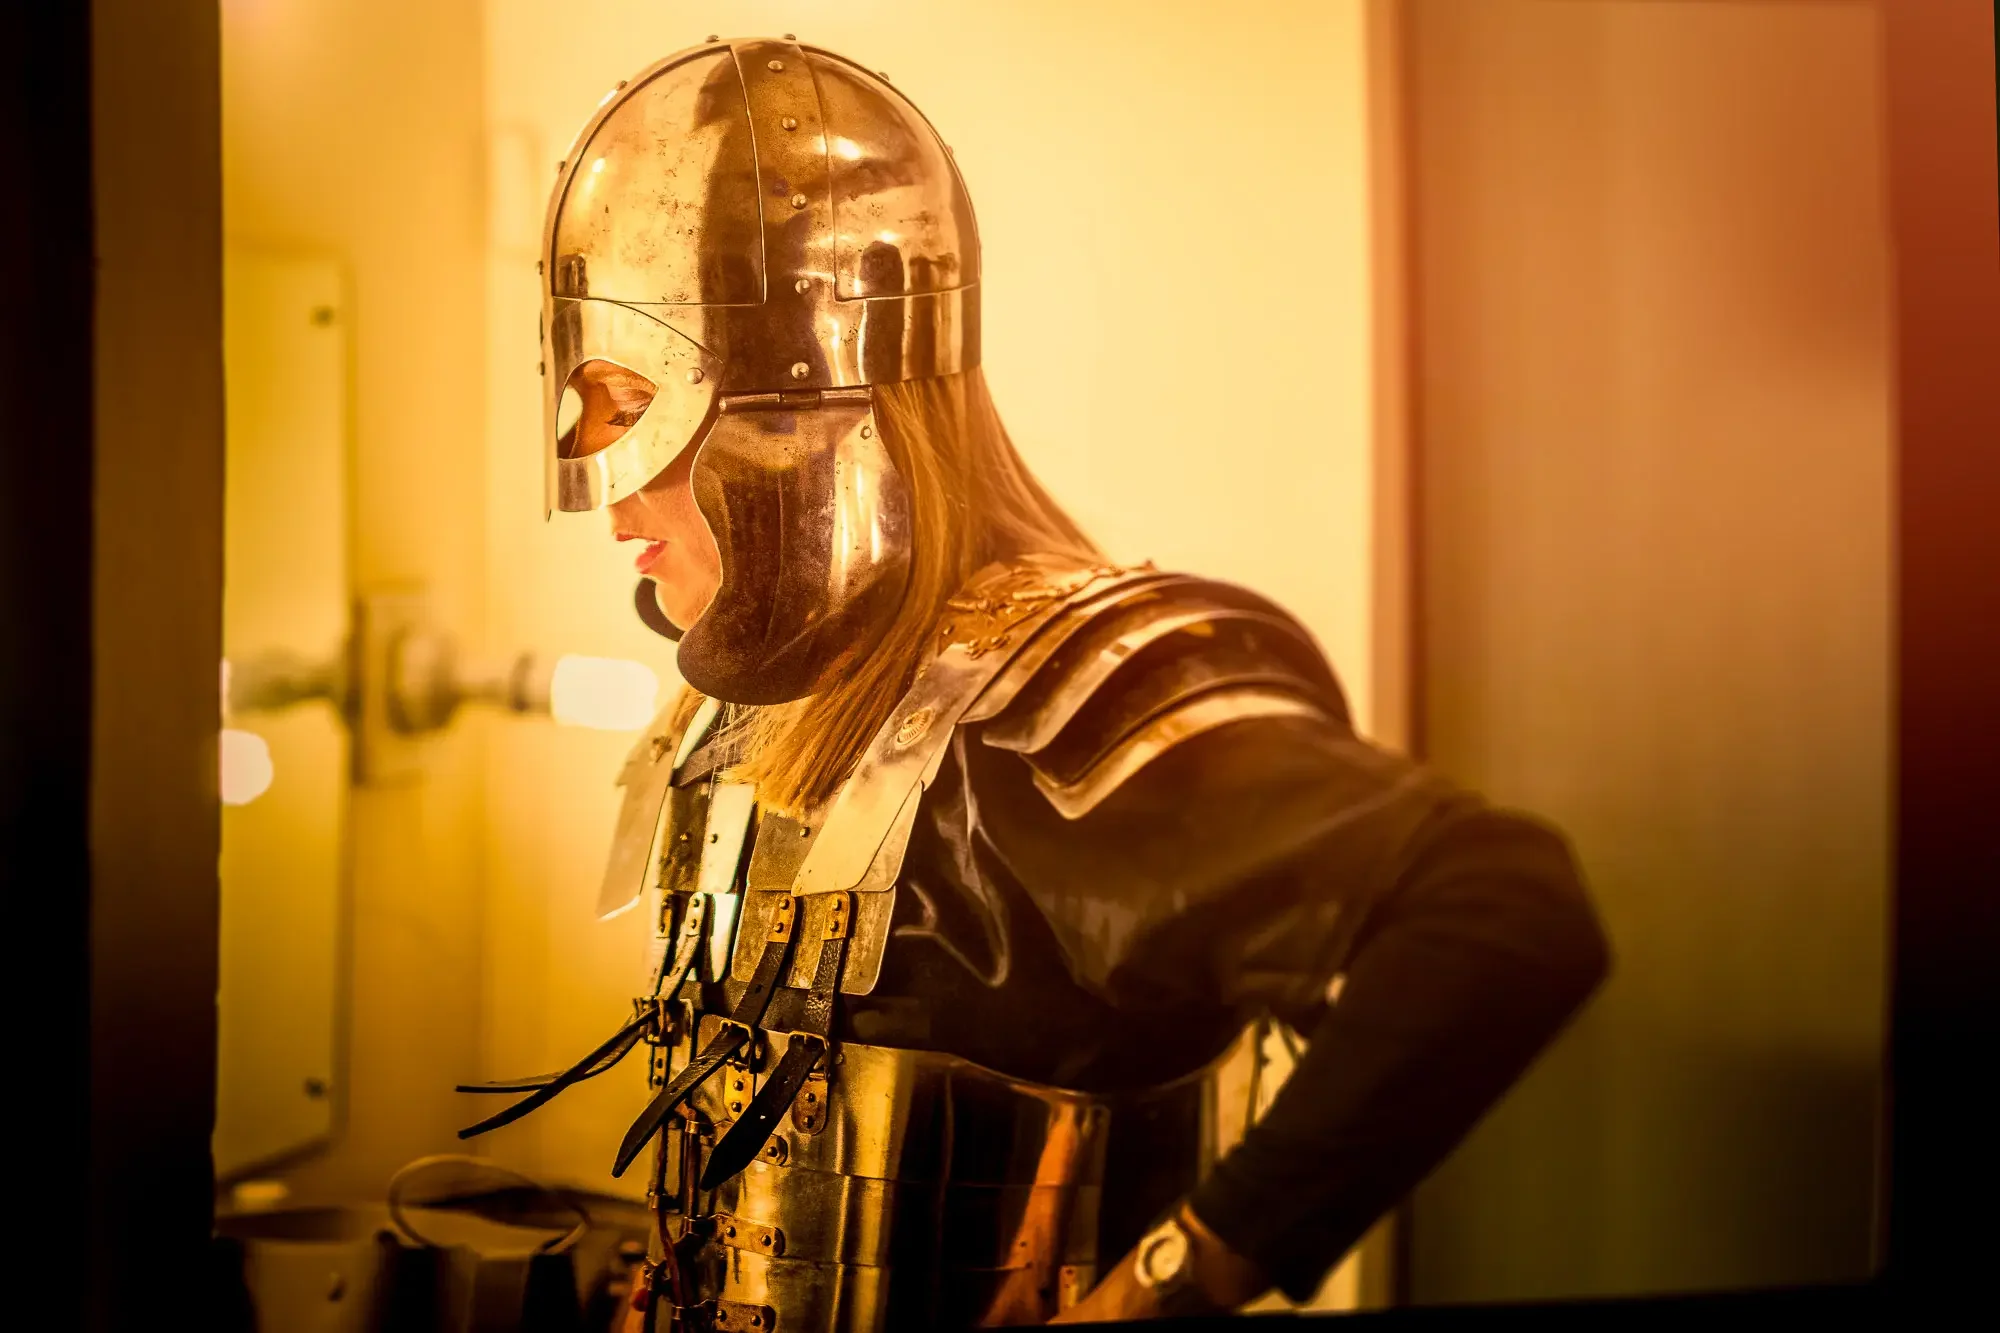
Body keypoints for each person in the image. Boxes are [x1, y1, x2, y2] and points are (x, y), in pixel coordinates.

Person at [458, 35, 1609, 1330]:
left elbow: (1502, 911)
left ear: (798, 420)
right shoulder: (748, 707)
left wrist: (1176, 1280)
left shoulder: (1064, 704)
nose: (596, 470)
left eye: (626, 405)